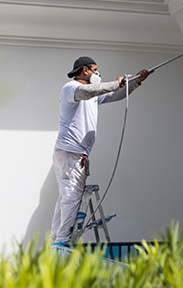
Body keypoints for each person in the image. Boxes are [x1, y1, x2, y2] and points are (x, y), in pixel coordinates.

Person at [50, 56, 152, 246]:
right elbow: (90, 91)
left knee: (65, 198)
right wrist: (115, 83)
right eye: (95, 70)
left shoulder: (91, 95)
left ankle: (56, 238)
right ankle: (61, 242)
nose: (97, 73)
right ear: (85, 70)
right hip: (71, 153)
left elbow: (116, 95)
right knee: (71, 198)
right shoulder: (71, 88)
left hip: (71, 154)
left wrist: (136, 82)